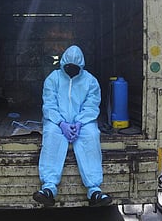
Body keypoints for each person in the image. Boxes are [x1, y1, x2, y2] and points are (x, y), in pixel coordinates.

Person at [33, 45, 112, 207]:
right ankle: (48, 188)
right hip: (57, 121)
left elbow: (92, 105)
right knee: (51, 135)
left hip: (82, 122)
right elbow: (49, 105)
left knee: (92, 135)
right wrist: (61, 123)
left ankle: (94, 190)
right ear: (62, 64)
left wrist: (79, 122)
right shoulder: (53, 79)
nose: (71, 70)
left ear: (81, 67)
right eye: (68, 67)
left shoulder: (90, 81)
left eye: (75, 68)